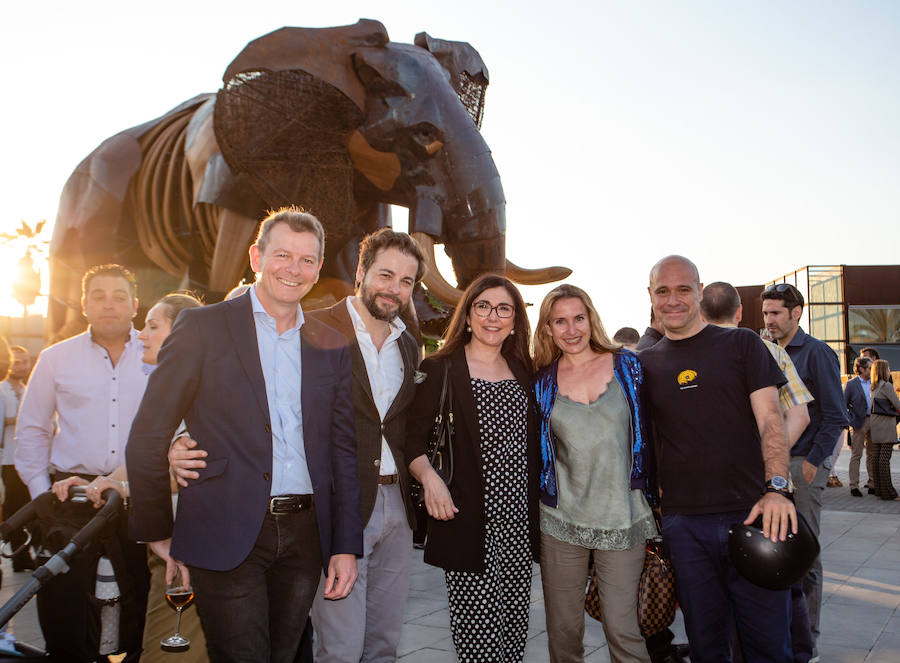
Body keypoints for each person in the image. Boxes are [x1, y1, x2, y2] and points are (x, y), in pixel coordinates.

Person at [171, 228, 426, 663]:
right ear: (361, 272)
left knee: (384, 643)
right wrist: (178, 439)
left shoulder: (409, 342)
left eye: (406, 281)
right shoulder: (312, 326)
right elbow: (236, 389)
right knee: (339, 647)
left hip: (395, 504)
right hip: (337, 505)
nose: (394, 289)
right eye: (385, 275)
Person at [126, 206, 363, 663]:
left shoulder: (328, 343)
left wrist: (345, 546)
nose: (293, 269)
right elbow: (149, 430)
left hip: (305, 537)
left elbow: (342, 452)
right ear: (256, 257)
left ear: (318, 269)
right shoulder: (202, 327)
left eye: (307, 260)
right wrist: (156, 529)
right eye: (282, 255)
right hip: (225, 529)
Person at [641, 256, 796, 663]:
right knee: (707, 648)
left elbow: (771, 421)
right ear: (651, 296)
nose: (673, 299)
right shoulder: (644, 365)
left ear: (699, 291)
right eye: (662, 291)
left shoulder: (742, 344)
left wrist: (778, 488)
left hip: (754, 515)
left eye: (683, 289)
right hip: (684, 527)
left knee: (768, 647)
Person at [15, 264, 151, 661]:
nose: (109, 304)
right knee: (64, 607)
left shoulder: (160, 354)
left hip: (137, 493)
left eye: (119, 296)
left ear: (134, 305)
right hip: (70, 496)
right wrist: (43, 499)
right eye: (99, 296)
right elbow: (33, 431)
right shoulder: (57, 358)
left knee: (139, 600)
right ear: (84, 304)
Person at [406, 274, 539, 663]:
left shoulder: (524, 371)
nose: (492, 316)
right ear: (467, 316)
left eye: (503, 308)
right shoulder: (439, 369)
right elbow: (411, 441)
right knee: (479, 641)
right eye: (483, 306)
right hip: (467, 520)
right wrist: (430, 479)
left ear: (515, 320)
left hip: (518, 525)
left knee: (513, 636)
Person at [533, 284, 657, 663]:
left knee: (623, 629)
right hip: (561, 520)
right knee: (564, 633)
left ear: (591, 319)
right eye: (560, 321)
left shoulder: (629, 367)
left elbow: (658, 429)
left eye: (578, 319)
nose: (571, 329)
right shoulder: (541, 382)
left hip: (623, 516)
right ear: (548, 329)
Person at [700, 281, 815, 661]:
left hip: (717, 494)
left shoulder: (695, 353)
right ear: (739, 313)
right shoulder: (768, 349)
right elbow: (799, 412)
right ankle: (799, 651)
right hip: (769, 487)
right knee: (780, 577)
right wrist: (771, 466)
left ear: (701, 313)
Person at [761, 282, 848, 658]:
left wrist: (815, 463)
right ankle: (781, 631)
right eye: (765, 313)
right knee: (772, 551)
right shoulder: (765, 352)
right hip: (768, 466)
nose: (769, 320)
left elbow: (835, 416)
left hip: (801, 464)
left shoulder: (817, 354)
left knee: (805, 555)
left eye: (776, 313)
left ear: (797, 313)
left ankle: (806, 641)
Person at [129, 292, 209, 663]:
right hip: (171, 543)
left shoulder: (196, 389)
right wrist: (104, 483)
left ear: (182, 331)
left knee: (167, 654)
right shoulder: (173, 384)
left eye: (152, 325)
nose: (141, 334)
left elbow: (191, 467)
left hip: (185, 546)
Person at [1, 344, 34, 571]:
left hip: (27, 459)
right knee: (13, 509)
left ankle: (26, 555)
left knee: (28, 508)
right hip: (7, 461)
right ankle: (18, 558)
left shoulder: (28, 389)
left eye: (25, 362)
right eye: (17, 362)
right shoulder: (2, 390)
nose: (21, 366)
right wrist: (18, 420)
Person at [869, 359, 900, 500]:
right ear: (883, 371)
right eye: (888, 369)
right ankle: (889, 492)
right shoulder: (887, 386)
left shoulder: (873, 386)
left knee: (876, 458)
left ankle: (880, 491)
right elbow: (897, 405)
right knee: (884, 460)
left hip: (875, 425)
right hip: (886, 426)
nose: (889, 372)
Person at [844, 356, 874, 497]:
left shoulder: (876, 382)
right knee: (857, 455)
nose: (872, 370)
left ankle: (872, 483)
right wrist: (851, 420)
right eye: (870, 367)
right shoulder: (851, 384)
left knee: (872, 454)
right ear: (861, 369)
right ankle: (854, 485)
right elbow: (843, 405)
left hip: (874, 421)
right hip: (858, 423)